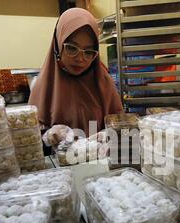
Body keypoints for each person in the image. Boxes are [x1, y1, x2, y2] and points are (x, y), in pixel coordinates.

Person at [28, 8, 123, 149]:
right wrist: (47, 136)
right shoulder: (45, 86)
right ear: (58, 45)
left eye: (89, 52)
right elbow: (28, 142)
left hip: (101, 165)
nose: (80, 59)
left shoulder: (104, 83)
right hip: (62, 168)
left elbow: (122, 128)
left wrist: (110, 134)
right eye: (72, 48)